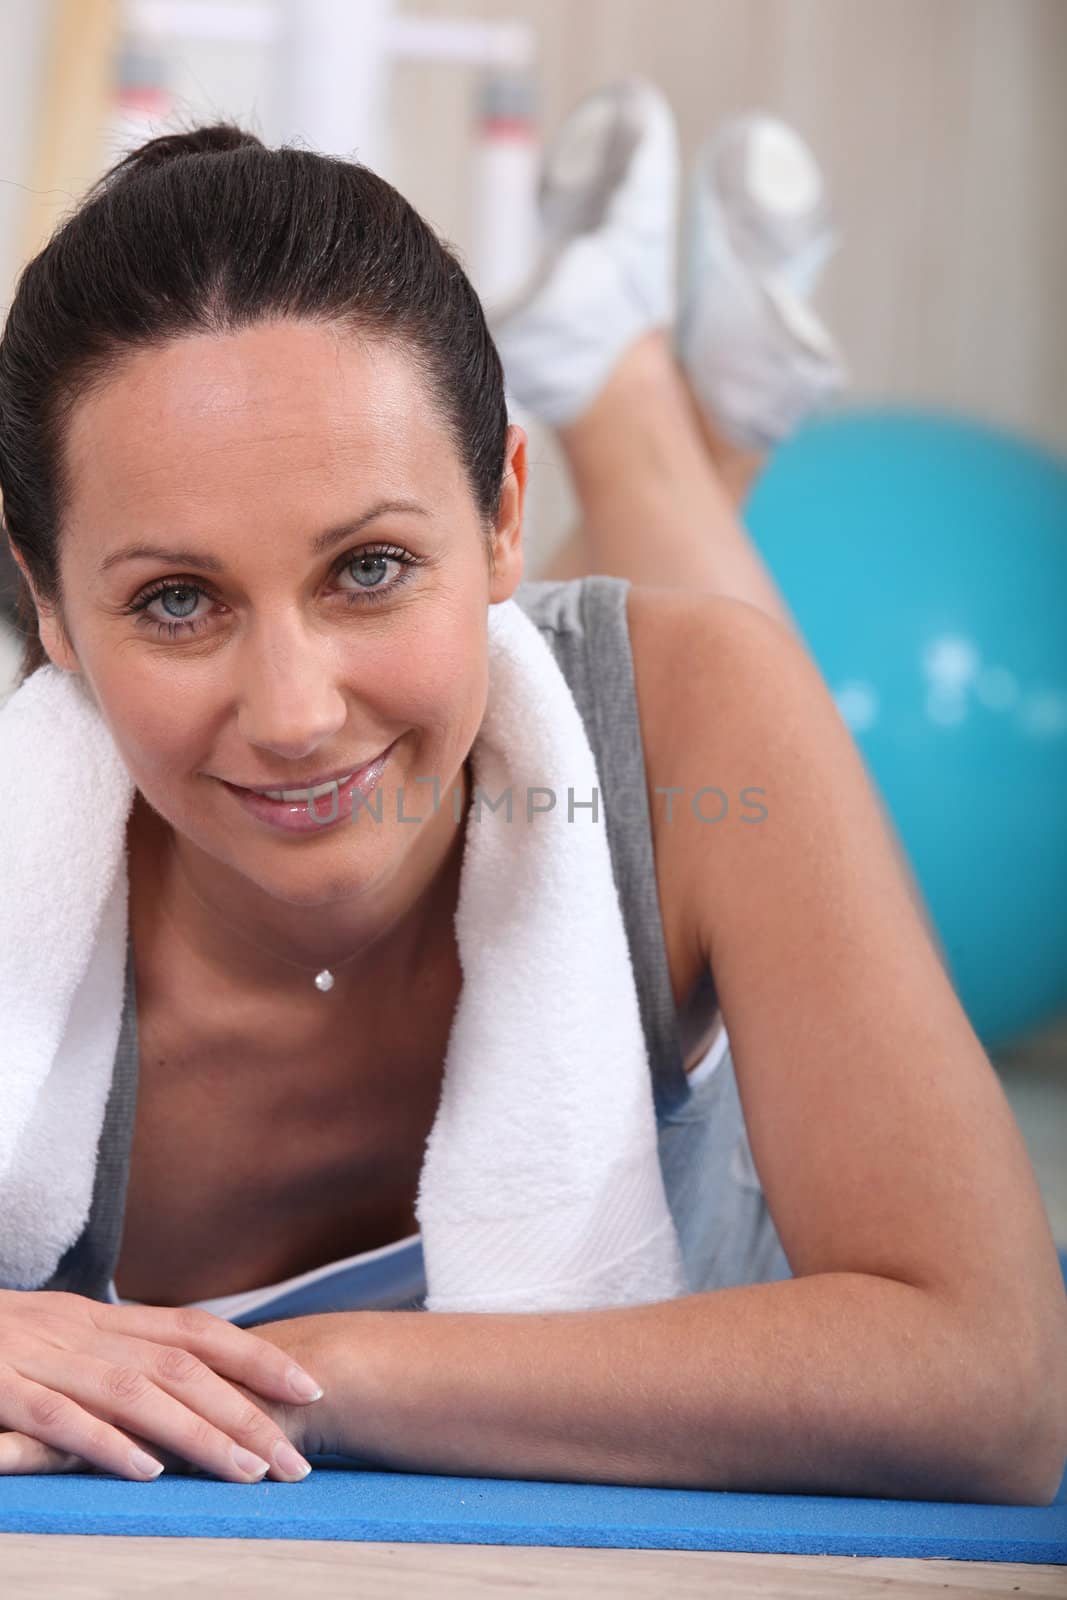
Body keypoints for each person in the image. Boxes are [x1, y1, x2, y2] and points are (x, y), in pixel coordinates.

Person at [0, 90, 1063, 1506]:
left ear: (505, 514)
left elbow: (992, 1385)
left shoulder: (701, 716)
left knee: (633, 683)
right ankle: (672, 425)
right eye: (178, 601)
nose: (297, 711)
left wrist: (306, 1374)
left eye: (367, 566)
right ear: (49, 607)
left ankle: (632, 420)